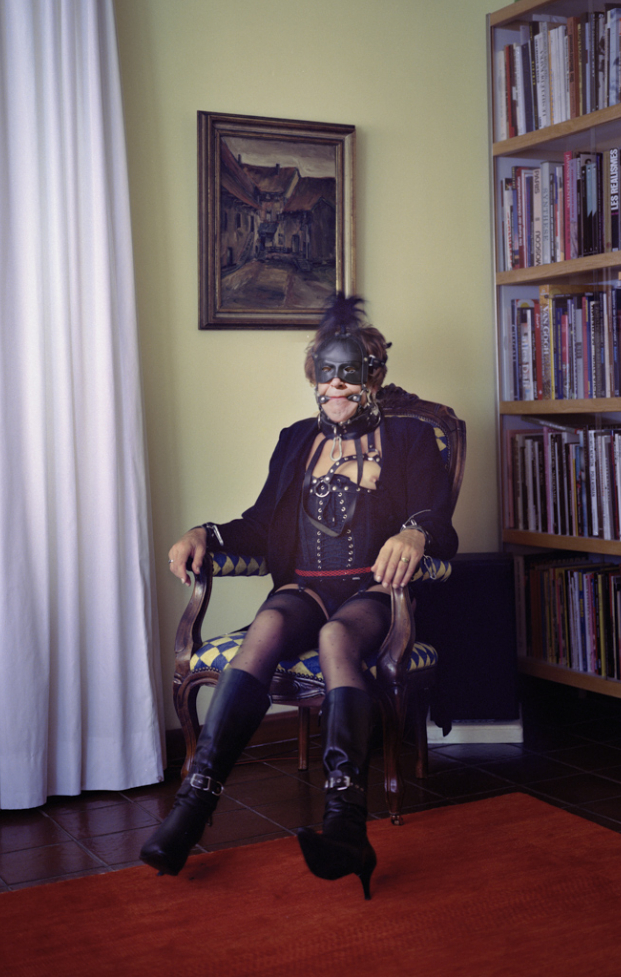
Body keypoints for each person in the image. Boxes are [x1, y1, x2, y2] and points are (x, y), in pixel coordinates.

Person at [139, 295, 458, 898]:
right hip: (307, 587)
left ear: (373, 376)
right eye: (325, 372)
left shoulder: (413, 438)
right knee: (264, 629)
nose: (335, 384)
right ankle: (192, 807)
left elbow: (438, 518)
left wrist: (414, 532)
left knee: (337, 638)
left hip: (374, 591)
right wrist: (205, 533)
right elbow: (261, 525)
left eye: (349, 372)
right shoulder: (295, 441)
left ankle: (345, 821)